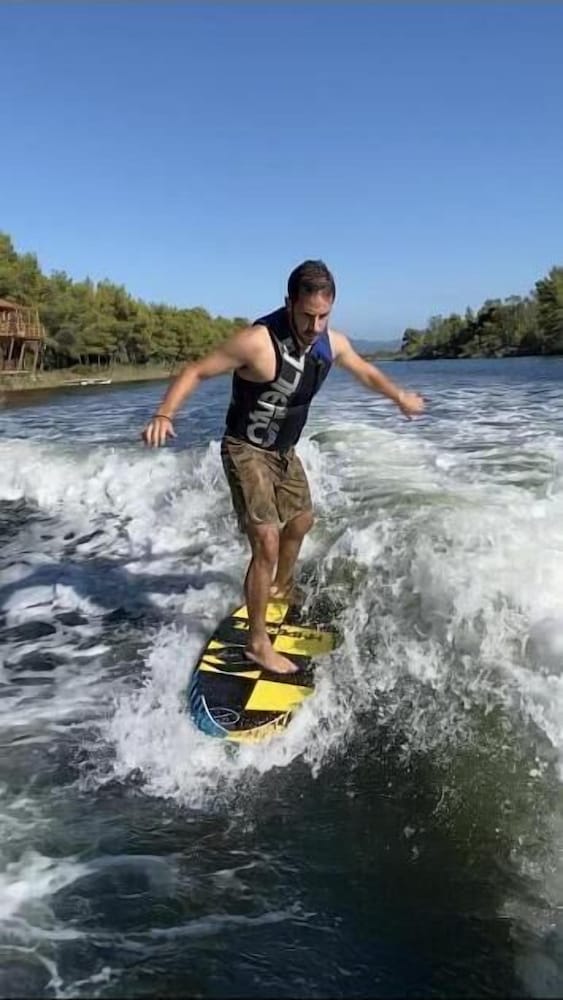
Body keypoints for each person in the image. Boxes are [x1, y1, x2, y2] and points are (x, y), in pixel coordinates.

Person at [142, 260, 424, 675]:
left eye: (324, 316)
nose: (315, 326)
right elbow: (196, 371)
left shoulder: (331, 343)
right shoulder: (257, 343)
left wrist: (398, 397)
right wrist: (165, 413)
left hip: (284, 451)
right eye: (307, 315)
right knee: (267, 541)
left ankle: (280, 586)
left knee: (302, 521)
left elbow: (364, 372)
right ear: (289, 302)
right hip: (245, 448)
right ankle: (258, 643)